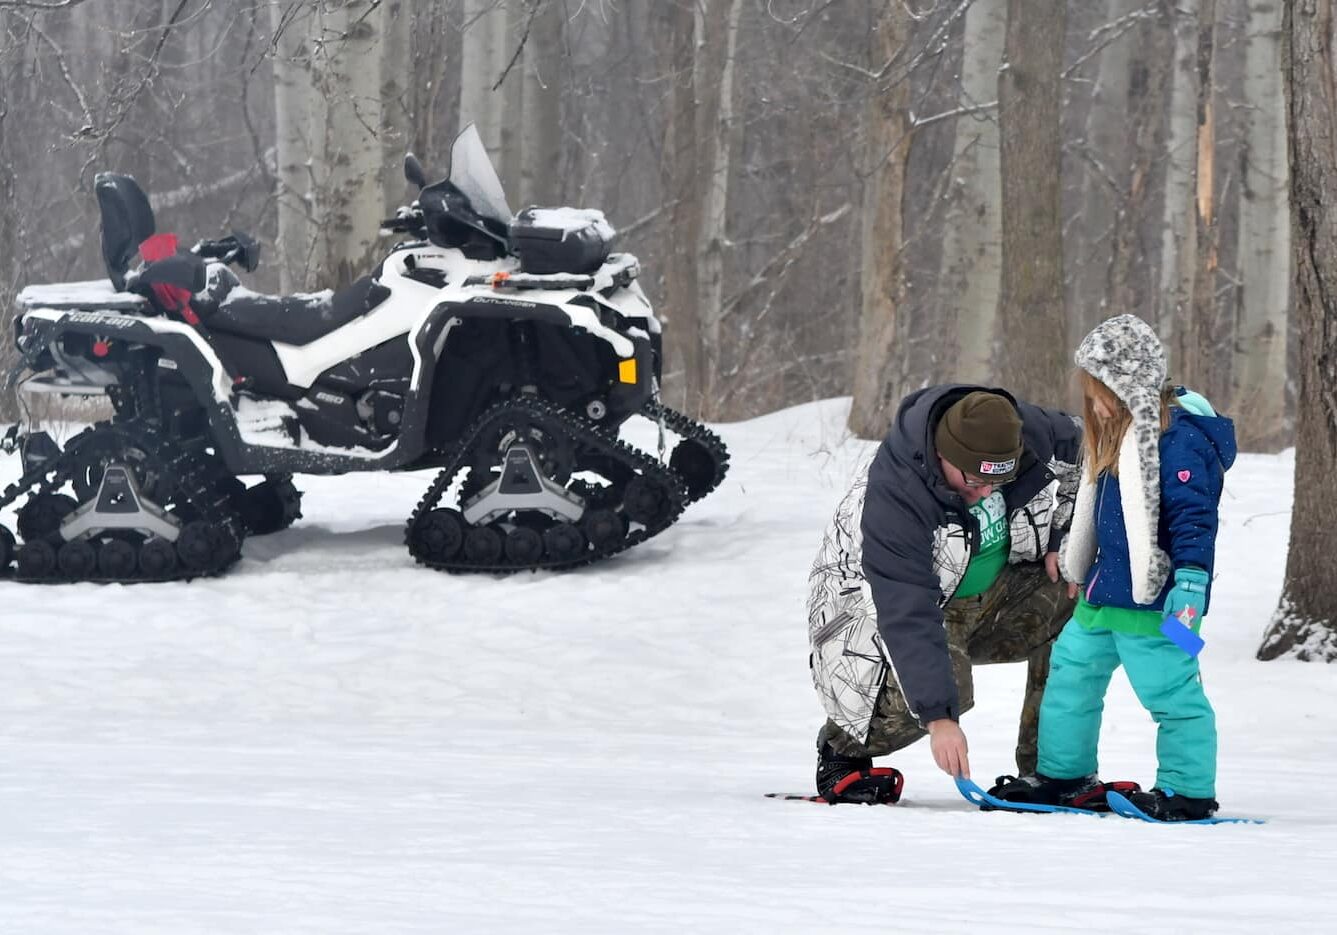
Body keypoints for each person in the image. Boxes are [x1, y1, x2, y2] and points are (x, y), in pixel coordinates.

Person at [992, 314, 1236, 820]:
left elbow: (1194, 519)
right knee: (1069, 678)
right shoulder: (1115, 439)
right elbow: (1099, 517)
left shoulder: (1178, 441)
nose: (1095, 403)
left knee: (1173, 695)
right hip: (1103, 599)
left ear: (1131, 386)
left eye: (1101, 391)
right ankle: (1063, 774)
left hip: (1160, 605)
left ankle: (1187, 790)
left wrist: (1192, 580)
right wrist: (1081, 566)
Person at [808, 385, 1087, 804]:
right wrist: (939, 719)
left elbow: (1085, 449)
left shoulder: (1022, 429)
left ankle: (1049, 770)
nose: (984, 494)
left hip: (994, 594)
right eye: (971, 481)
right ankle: (843, 748)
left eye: (998, 482)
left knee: (1077, 601)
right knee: (945, 694)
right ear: (942, 455)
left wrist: (1063, 536)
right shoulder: (894, 494)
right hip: (883, 615)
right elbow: (907, 610)